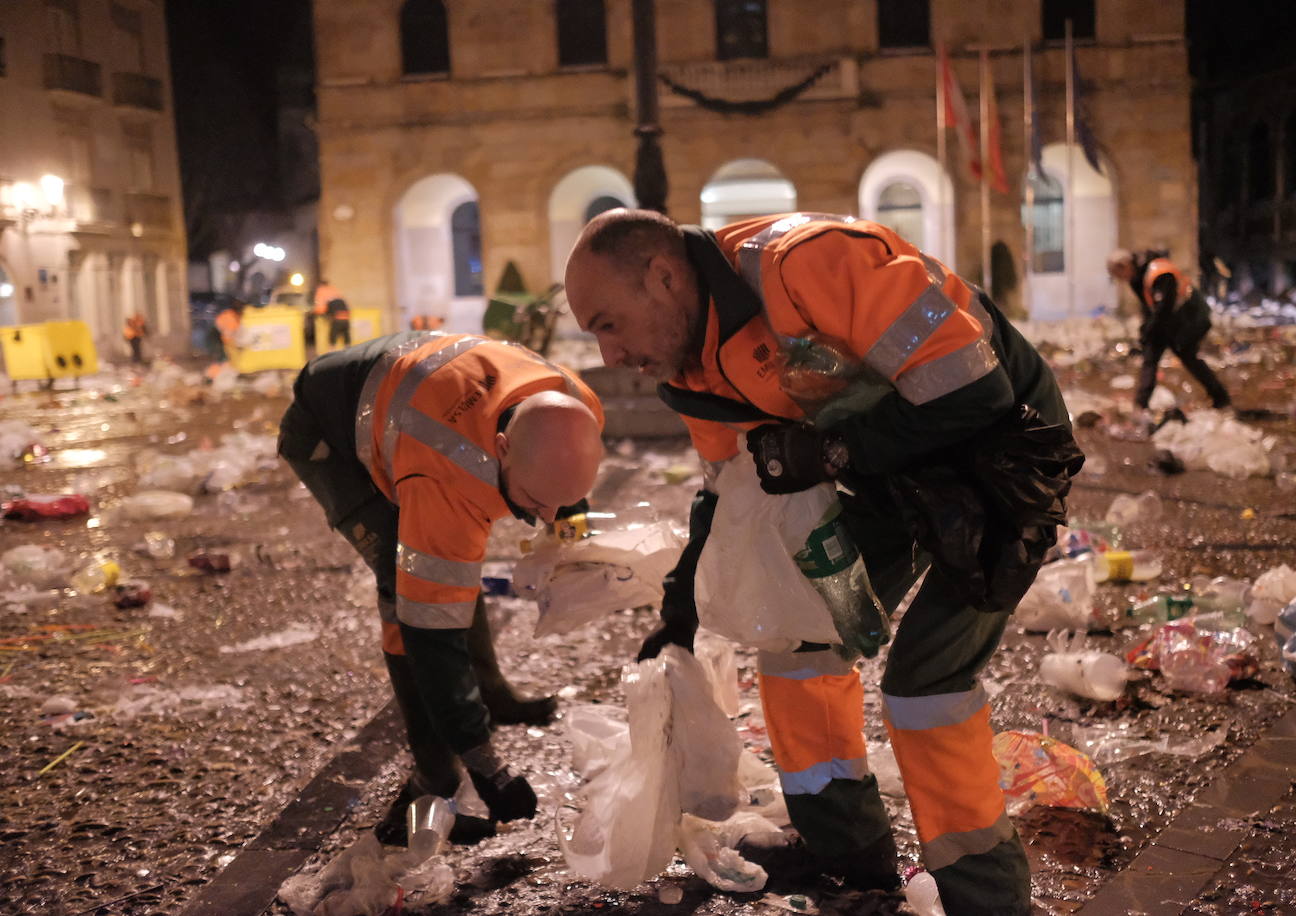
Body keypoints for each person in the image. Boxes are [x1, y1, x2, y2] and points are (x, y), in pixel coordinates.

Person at [564, 210, 1081, 913]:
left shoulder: (806, 263)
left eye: (608, 323)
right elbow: (727, 491)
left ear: (661, 277)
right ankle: (847, 852)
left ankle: (985, 895)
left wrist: (832, 453)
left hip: (1006, 453)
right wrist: (679, 607)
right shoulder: (696, 365)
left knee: (926, 681)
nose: (609, 354)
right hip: (890, 473)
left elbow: (974, 393)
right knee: (797, 638)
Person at [277, 331, 605, 842]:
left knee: (450, 561)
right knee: (408, 584)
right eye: (536, 501)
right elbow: (431, 633)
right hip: (328, 432)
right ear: (501, 449)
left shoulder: (572, 403)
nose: (545, 519)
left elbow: (562, 479)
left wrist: (573, 525)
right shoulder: (451, 475)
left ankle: (492, 694)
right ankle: (433, 773)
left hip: (407, 392)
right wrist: (486, 768)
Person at [1106, 248, 1231, 411]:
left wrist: (1150, 330)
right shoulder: (1137, 277)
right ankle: (1141, 405)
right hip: (1170, 320)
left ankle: (1220, 397)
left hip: (1190, 318)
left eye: (1118, 274)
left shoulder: (1160, 273)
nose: (1121, 280)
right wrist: (1146, 330)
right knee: (1151, 358)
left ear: (1124, 265)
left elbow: (1164, 308)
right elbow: (1149, 306)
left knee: (1186, 355)